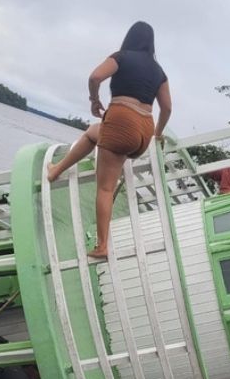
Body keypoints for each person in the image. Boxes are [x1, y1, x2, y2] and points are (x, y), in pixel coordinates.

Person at [47, 21, 172, 259]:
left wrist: (94, 99)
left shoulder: (121, 57)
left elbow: (95, 77)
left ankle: (102, 245)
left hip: (121, 122)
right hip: (143, 130)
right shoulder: (159, 72)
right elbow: (166, 108)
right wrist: (157, 133)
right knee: (93, 133)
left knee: (105, 188)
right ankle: (56, 170)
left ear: (130, 37)